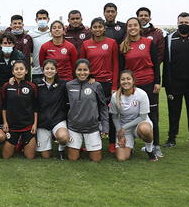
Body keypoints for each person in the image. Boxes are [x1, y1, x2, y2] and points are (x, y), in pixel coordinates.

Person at [162, 12, 189, 150]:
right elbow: (165, 60)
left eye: (186, 23)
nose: (183, 25)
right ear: (177, 23)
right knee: (173, 113)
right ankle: (171, 139)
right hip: (174, 84)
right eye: (181, 23)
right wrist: (166, 82)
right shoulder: (169, 38)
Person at [119, 17, 162, 157]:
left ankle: (155, 145)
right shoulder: (123, 46)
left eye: (135, 25)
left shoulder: (148, 42)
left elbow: (156, 64)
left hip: (149, 83)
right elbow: (122, 68)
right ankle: (130, 141)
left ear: (140, 27)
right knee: (132, 113)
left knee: (152, 115)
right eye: (129, 26)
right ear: (127, 28)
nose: (132, 28)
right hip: (131, 86)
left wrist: (157, 81)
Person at [79, 17, 119, 153]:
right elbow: (82, 65)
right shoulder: (85, 44)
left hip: (107, 83)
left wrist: (114, 86)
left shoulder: (112, 43)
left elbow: (115, 64)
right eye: (95, 27)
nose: (97, 29)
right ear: (91, 28)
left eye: (100, 27)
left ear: (104, 28)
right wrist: (88, 79)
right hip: (91, 83)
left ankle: (112, 142)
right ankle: (90, 141)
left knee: (110, 113)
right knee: (91, 114)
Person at [64, 59, 109, 162]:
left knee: (96, 159)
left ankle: (86, 146)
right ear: (75, 71)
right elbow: (65, 106)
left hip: (92, 127)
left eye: (85, 70)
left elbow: (103, 106)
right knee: (72, 158)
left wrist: (105, 127)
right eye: (79, 70)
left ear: (89, 71)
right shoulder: (69, 85)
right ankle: (77, 146)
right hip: (74, 127)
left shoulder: (96, 85)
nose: (82, 73)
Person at [110, 70, 158, 161]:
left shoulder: (142, 94)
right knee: (121, 158)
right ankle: (130, 145)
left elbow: (143, 117)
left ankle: (149, 150)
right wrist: (120, 132)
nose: (126, 81)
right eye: (123, 79)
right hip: (124, 127)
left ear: (133, 81)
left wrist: (123, 128)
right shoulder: (115, 96)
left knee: (145, 130)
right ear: (119, 81)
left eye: (128, 79)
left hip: (140, 124)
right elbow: (115, 116)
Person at [1, 61, 38, 160]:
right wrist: (5, 122)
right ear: (13, 72)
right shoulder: (6, 86)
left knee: (29, 156)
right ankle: (17, 142)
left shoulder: (32, 86)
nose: (19, 71)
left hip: (28, 126)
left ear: (26, 71)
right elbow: (4, 107)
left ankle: (22, 143)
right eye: (16, 69)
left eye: (21, 69)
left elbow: (35, 107)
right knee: (6, 157)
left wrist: (35, 124)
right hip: (12, 126)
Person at [34, 60, 69, 160]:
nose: (50, 71)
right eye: (47, 68)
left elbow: (78, 83)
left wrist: (90, 78)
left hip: (57, 120)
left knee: (63, 137)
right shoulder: (36, 83)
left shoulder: (63, 84)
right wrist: (12, 80)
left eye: (52, 69)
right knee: (46, 156)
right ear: (43, 70)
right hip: (42, 122)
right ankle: (49, 140)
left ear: (56, 70)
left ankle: (61, 149)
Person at [29, 9, 52, 80]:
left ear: (48, 19)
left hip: (51, 71)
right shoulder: (31, 34)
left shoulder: (53, 33)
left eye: (44, 18)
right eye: (40, 18)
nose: (42, 20)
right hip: (37, 71)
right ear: (36, 20)